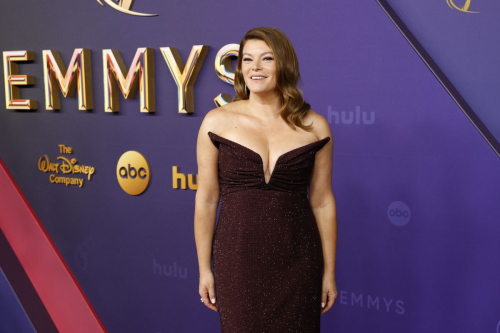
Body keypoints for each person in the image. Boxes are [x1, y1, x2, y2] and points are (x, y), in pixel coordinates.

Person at [194, 27, 338, 332]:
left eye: (266, 58)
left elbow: (323, 201)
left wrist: (328, 273)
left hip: (298, 260)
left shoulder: (315, 126)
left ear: (284, 64)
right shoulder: (217, 122)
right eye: (247, 59)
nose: (255, 67)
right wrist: (204, 268)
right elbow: (206, 199)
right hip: (238, 259)